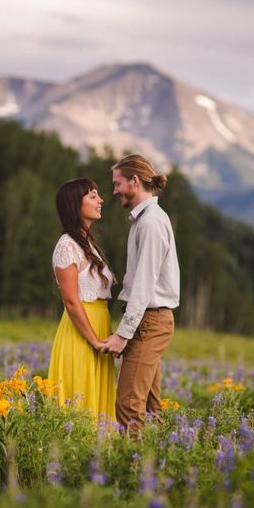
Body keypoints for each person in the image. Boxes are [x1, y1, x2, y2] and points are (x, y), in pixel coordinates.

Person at [101, 154, 180, 432]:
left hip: (149, 321)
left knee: (128, 405)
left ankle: (134, 471)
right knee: (148, 406)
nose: (114, 191)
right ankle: (156, 467)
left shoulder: (150, 223)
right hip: (148, 321)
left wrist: (123, 335)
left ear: (135, 181)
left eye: (117, 183)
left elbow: (144, 285)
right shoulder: (145, 220)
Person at [48, 178, 116, 422]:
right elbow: (71, 301)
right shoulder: (67, 246)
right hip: (81, 334)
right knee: (80, 406)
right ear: (75, 205)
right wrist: (95, 342)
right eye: (93, 196)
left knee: (98, 408)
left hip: (97, 328)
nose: (101, 201)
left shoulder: (87, 244)